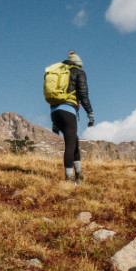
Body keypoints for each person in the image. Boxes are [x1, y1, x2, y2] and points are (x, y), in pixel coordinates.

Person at [50, 51, 94, 183]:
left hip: (55, 111)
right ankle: (69, 178)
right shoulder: (79, 73)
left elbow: (54, 95)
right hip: (68, 111)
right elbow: (83, 94)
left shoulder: (59, 72)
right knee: (70, 144)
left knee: (74, 141)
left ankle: (79, 174)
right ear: (79, 64)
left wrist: (55, 122)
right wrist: (90, 113)